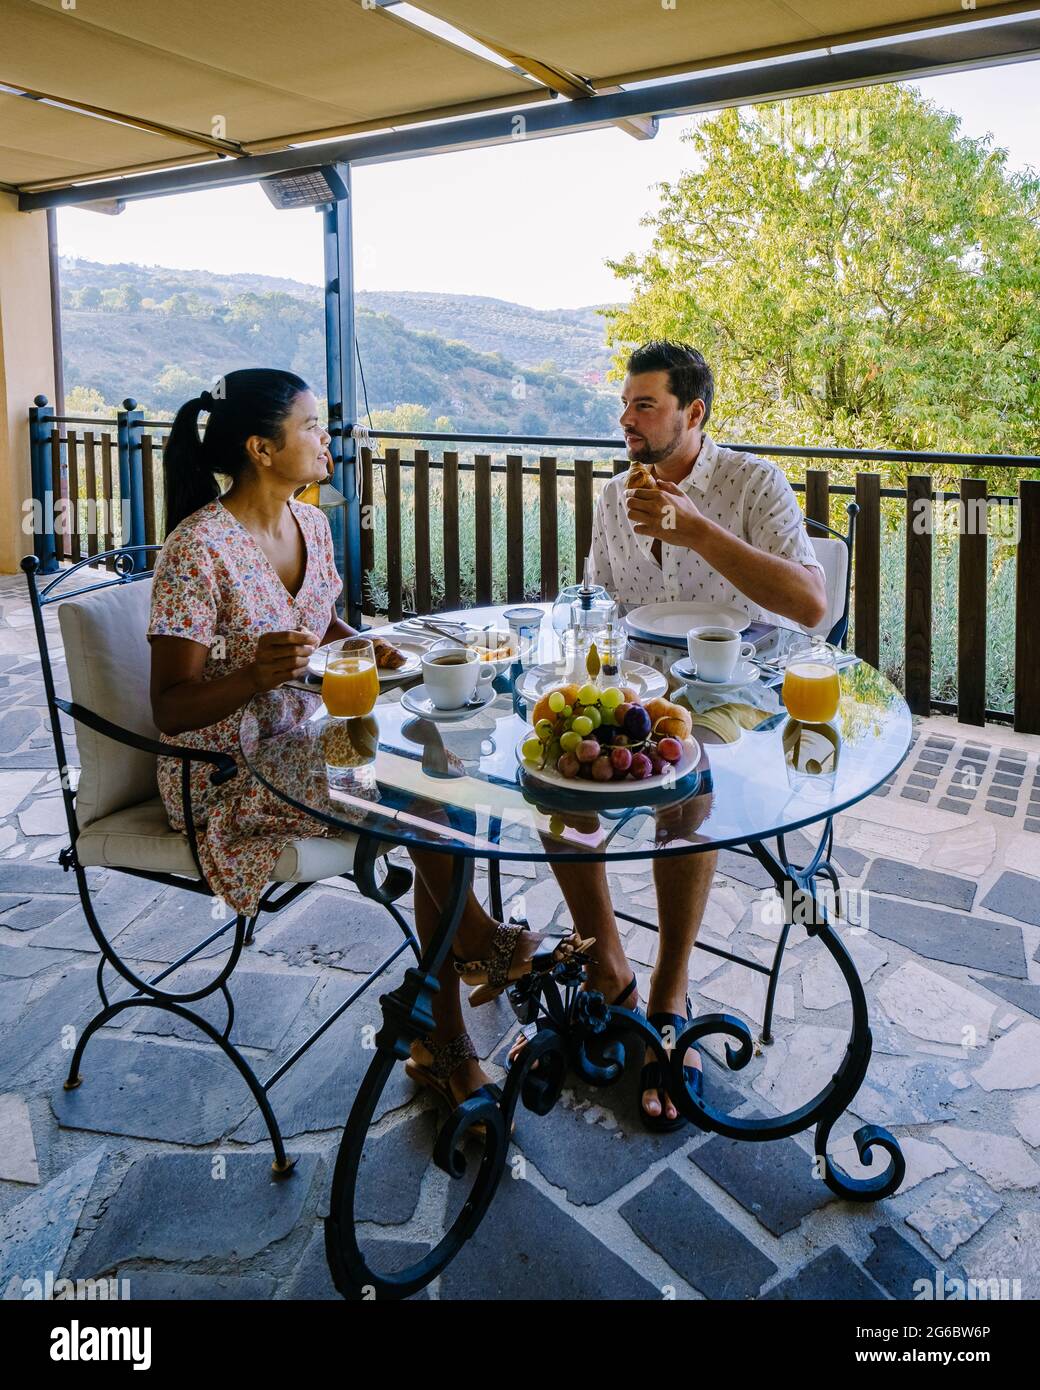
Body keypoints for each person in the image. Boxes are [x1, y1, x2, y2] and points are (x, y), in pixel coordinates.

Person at [147, 368, 581, 1122]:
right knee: (420, 784)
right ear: (261, 447)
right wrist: (253, 674)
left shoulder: (309, 523)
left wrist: (368, 647)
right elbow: (169, 706)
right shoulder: (197, 549)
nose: (327, 439)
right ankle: (469, 964)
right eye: (312, 426)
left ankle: (446, 1034)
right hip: (227, 772)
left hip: (313, 739)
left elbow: (323, 627)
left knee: (440, 760)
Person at [512, 342, 827, 1130]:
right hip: (641, 686)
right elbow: (600, 604)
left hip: (740, 692)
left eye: (644, 405)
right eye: (624, 405)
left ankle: (669, 996)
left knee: (693, 782)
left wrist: (698, 532)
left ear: (693, 413)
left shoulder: (753, 483)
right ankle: (609, 968)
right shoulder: (616, 495)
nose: (626, 419)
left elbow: (811, 606)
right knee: (558, 780)